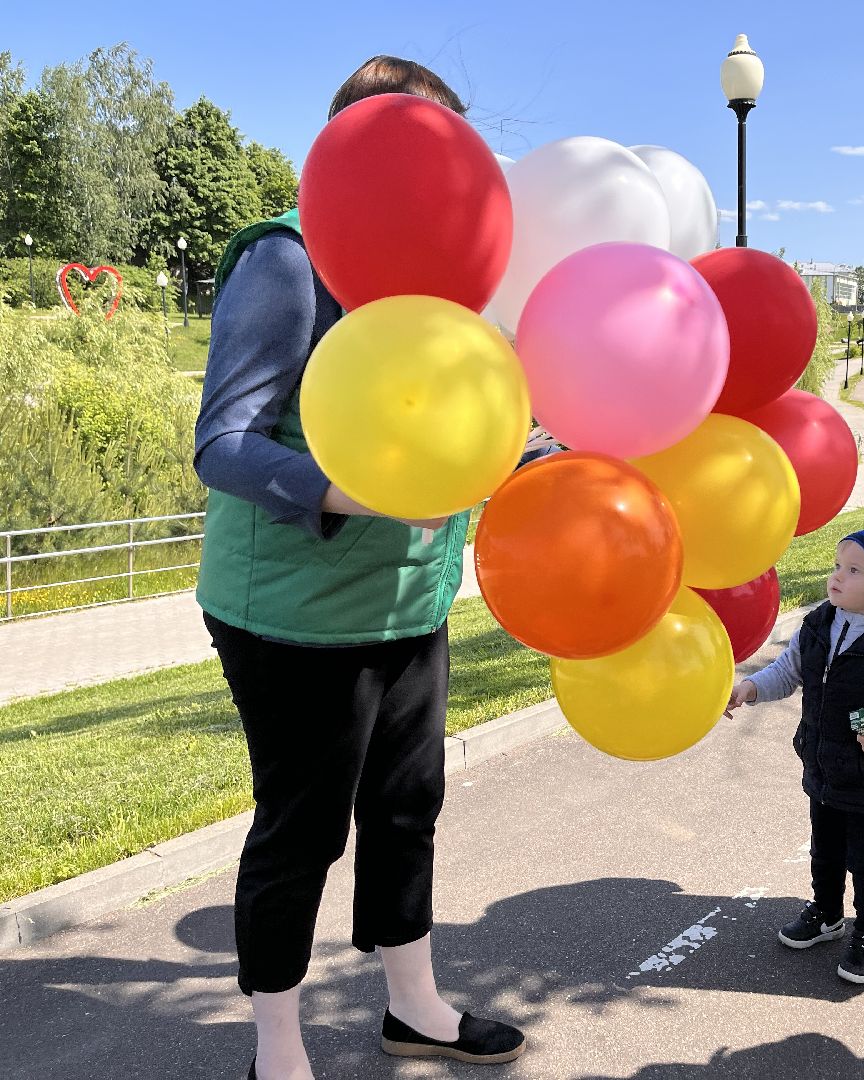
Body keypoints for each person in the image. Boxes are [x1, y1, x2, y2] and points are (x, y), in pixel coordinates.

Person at [193, 56, 525, 1080]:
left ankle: (414, 1007)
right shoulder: (289, 262)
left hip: (407, 602)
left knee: (406, 809)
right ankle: (277, 1049)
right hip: (289, 618)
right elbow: (224, 443)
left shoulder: (449, 288)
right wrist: (363, 490)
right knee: (301, 834)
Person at [726, 529, 864, 985]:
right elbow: (788, 672)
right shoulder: (820, 622)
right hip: (822, 767)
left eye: (854, 570)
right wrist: (750, 688)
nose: (837, 577)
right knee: (824, 850)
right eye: (838, 566)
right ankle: (826, 913)